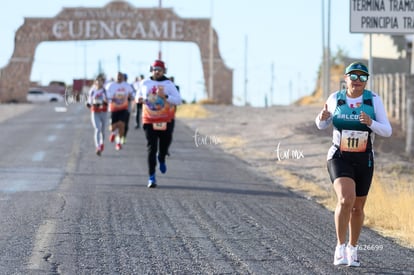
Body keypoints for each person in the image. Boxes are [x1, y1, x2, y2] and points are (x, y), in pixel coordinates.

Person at [315, 62, 392, 267]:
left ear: (366, 81)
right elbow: (321, 124)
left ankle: (353, 248)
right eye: (353, 76)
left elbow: (387, 131)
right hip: (339, 156)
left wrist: (370, 123)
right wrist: (321, 118)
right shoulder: (335, 98)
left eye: (362, 77)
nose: (357, 81)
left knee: (357, 208)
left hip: (364, 158)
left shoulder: (373, 100)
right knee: (345, 199)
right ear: (346, 78)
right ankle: (340, 247)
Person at [136, 60, 182, 188]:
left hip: (164, 119)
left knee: (164, 145)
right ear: (151, 70)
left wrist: (166, 96)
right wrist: (138, 99)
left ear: (164, 71)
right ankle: (151, 177)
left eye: (160, 70)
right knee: (151, 147)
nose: (157, 72)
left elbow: (178, 100)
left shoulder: (169, 84)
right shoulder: (145, 83)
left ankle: (161, 158)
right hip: (149, 119)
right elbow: (137, 96)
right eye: (155, 69)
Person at [106, 72, 134, 150]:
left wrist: (132, 96)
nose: (119, 78)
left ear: (123, 77)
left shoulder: (126, 86)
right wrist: (110, 98)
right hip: (113, 108)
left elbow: (132, 93)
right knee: (112, 127)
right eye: (118, 76)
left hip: (123, 108)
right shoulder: (111, 85)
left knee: (121, 125)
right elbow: (106, 95)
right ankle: (113, 133)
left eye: (120, 76)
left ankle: (118, 143)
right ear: (115, 77)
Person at [86, 76, 108, 156]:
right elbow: (89, 100)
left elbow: (107, 99)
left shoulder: (104, 90)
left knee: (102, 130)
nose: (99, 83)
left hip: (103, 112)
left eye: (100, 81)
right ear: (95, 82)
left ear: (103, 82)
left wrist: (104, 102)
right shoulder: (92, 90)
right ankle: (98, 147)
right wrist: (89, 104)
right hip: (95, 112)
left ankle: (102, 143)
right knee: (97, 129)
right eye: (97, 81)